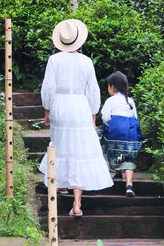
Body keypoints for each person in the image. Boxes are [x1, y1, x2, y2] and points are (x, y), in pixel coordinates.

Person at [39, 18, 113, 217]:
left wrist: (47, 110)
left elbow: (48, 88)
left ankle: (58, 189)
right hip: (81, 105)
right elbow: (93, 90)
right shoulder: (87, 62)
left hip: (60, 106)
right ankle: (77, 204)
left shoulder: (54, 60)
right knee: (80, 150)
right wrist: (93, 114)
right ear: (79, 41)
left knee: (60, 147)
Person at [99, 70, 142, 197]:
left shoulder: (110, 101)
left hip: (117, 129)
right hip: (132, 131)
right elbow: (135, 117)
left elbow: (106, 118)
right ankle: (129, 185)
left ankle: (111, 171)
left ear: (112, 87)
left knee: (102, 135)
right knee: (129, 157)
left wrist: (110, 126)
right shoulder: (130, 101)